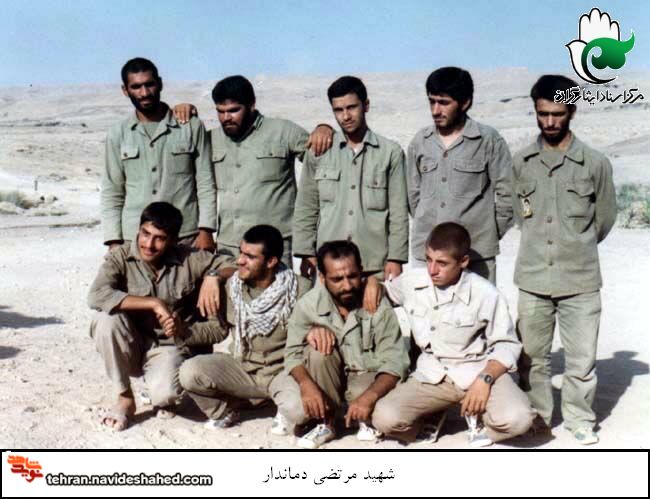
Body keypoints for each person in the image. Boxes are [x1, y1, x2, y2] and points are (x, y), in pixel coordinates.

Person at [513, 75, 617, 445]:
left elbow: (604, 219)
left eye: (557, 114)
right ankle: (538, 417)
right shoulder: (521, 162)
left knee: (581, 360)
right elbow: (519, 214)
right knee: (533, 358)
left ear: (572, 111)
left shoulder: (594, 163)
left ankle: (579, 418)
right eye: (542, 113)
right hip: (533, 278)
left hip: (580, 279)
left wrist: (575, 245)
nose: (549, 122)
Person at [372, 223, 534, 447]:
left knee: (518, 419)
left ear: (463, 261)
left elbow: (507, 344)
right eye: (428, 259)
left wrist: (485, 380)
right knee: (384, 418)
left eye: (442, 263)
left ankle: (480, 420)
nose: (432, 270)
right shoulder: (413, 282)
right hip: (433, 375)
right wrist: (373, 283)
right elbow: (383, 291)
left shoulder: (485, 293)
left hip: (477, 371)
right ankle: (432, 416)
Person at [87, 202, 235, 431]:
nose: (149, 244)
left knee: (166, 395)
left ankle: (159, 389)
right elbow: (96, 295)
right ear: (138, 230)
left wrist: (214, 275)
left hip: (168, 348)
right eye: (145, 234)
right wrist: (154, 303)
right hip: (131, 345)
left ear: (173, 240)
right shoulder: (121, 256)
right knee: (106, 320)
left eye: (159, 238)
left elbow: (237, 265)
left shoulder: (189, 258)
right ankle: (124, 397)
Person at [174, 75, 334, 266]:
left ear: (251, 105)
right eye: (220, 111)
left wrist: (324, 128)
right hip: (229, 247)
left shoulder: (283, 131)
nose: (226, 118)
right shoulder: (211, 140)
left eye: (234, 110)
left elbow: (322, 161)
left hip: (273, 246)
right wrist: (182, 109)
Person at [274, 240, 409, 448]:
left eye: (352, 276)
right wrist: (307, 386)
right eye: (337, 279)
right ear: (322, 278)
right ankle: (326, 422)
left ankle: (358, 414)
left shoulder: (376, 302)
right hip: (326, 380)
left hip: (364, 378)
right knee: (316, 356)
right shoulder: (308, 305)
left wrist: (369, 397)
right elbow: (292, 355)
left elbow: (395, 361)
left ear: (361, 271)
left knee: (387, 413)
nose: (347, 286)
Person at [178, 225, 312, 433]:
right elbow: (217, 330)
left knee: (299, 411)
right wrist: (182, 331)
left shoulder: (300, 289)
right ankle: (225, 411)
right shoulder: (231, 287)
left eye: (250, 256)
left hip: (282, 372)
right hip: (243, 368)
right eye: (241, 253)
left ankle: (279, 404)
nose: (240, 260)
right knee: (190, 372)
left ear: (271, 261)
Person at [293, 76, 409, 280]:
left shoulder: (390, 153)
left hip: (374, 266)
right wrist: (306, 253)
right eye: (338, 110)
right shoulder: (319, 153)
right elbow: (306, 207)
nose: (345, 116)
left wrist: (396, 258)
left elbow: (398, 213)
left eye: (351, 107)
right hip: (329, 267)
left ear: (366, 106)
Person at [406, 67, 513, 283]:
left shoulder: (488, 141)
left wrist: (487, 234)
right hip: (428, 256)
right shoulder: (420, 142)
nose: (436, 110)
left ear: (465, 103)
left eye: (444, 103)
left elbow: (509, 194)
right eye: (432, 102)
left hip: (475, 256)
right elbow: (413, 196)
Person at [102, 58, 217, 251]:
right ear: (125, 90)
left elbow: (205, 182)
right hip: (137, 240)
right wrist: (114, 241)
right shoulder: (118, 134)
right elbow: (112, 190)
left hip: (184, 237)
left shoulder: (190, 126)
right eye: (136, 87)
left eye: (149, 84)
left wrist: (206, 230)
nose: (144, 93)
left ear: (160, 83)